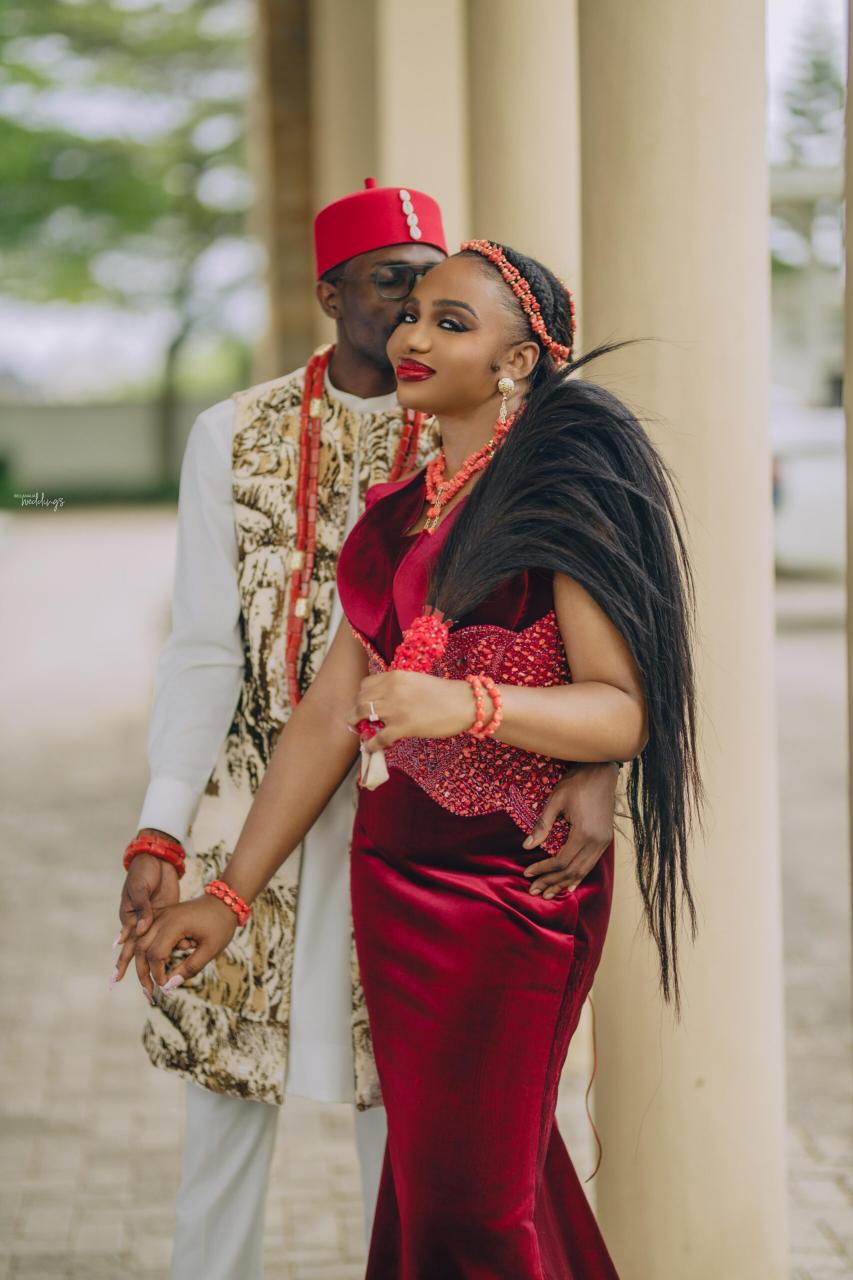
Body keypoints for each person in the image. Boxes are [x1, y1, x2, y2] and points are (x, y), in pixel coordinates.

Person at [113, 192, 622, 1278]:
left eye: (444, 314)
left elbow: (620, 696)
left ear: (517, 360)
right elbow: (299, 699)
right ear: (330, 293)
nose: (409, 328)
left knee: (465, 1191)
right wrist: (215, 880)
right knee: (429, 1181)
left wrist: (512, 726)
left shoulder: (546, 489)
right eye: (404, 301)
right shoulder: (387, 501)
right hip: (359, 851)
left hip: (498, 878)